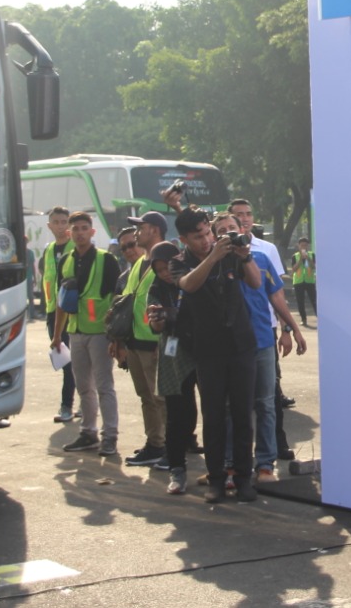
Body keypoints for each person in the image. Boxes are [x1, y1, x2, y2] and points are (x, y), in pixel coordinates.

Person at [168, 208, 261, 503]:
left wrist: (244, 254)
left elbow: (256, 283)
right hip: (208, 350)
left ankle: (245, 477)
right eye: (198, 237)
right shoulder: (179, 262)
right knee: (214, 417)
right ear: (183, 239)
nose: (207, 240)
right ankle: (217, 479)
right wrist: (212, 258)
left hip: (241, 345)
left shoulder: (231, 252)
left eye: (208, 233)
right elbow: (189, 285)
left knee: (243, 414)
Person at [233, 207, 305, 484]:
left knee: (267, 401)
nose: (243, 221)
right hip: (230, 344)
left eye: (246, 215)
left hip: (263, 337)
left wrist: (290, 329)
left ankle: (267, 461)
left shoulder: (264, 254)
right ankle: (233, 464)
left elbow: (276, 297)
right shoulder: (214, 261)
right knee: (234, 406)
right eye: (235, 220)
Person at [51, 211, 121, 456]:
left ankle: (110, 436)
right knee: (83, 387)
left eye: (84, 228)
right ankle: (88, 432)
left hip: (100, 332)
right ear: (69, 233)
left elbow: (116, 299)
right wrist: (57, 335)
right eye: (75, 229)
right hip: (75, 331)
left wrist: (115, 335)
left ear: (92, 232)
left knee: (104, 385)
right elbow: (61, 300)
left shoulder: (107, 260)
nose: (79, 233)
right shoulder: (66, 261)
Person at [114, 212, 169, 469]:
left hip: (155, 341)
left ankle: (171, 446)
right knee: (146, 396)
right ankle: (155, 443)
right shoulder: (139, 263)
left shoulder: (165, 258)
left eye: (141, 228)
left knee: (161, 398)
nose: (136, 233)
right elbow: (126, 299)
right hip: (136, 340)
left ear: (155, 230)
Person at [146, 241, 198, 495]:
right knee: (178, 413)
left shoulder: (191, 277)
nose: (165, 272)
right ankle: (177, 469)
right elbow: (153, 326)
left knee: (214, 408)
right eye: (159, 269)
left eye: (167, 266)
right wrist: (158, 320)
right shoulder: (155, 289)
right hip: (174, 354)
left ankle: (222, 468)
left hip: (202, 348)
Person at [41, 206, 78, 424]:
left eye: (65, 222)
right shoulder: (48, 250)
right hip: (52, 311)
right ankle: (78, 400)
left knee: (72, 362)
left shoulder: (76, 247)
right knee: (63, 358)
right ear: (49, 225)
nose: (61, 226)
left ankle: (67, 405)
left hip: (72, 311)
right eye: (56, 222)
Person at [291, 237, 318, 328]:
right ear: (298, 246)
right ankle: (303, 319)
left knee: (314, 300)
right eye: (302, 245)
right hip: (298, 281)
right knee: (300, 301)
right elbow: (294, 269)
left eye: (305, 245)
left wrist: (308, 258)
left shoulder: (312, 255)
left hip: (309, 280)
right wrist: (300, 260)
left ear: (308, 246)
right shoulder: (295, 256)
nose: (303, 247)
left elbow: (314, 267)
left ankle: (319, 318)